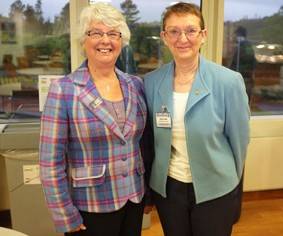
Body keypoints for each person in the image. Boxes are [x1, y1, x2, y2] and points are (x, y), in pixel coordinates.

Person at [39, 3, 151, 236]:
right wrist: (64, 214)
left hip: (133, 198)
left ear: (122, 41)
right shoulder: (64, 90)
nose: (105, 40)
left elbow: (142, 144)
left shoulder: (135, 85)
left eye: (113, 34)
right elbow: (50, 163)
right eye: (96, 33)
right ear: (83, 40)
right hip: (90, 205)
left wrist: (148, 192)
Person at [144, 2, 250, 236]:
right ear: (164, 36)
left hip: (215, 187)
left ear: (203, 35)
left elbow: (239, 142)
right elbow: (151, 140)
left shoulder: (228, 82)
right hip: (169, 189)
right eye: (174, 31)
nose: (183, 38)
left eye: (191, 30)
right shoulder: (151, 82)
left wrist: (231, 184)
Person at [230, 26, 256, 103]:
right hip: (241, 77)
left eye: (237, 34)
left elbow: (249, 60)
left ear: (240, 35)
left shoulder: (246, 46)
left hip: (244, 77)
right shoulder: (241, 46)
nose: (235, 37)